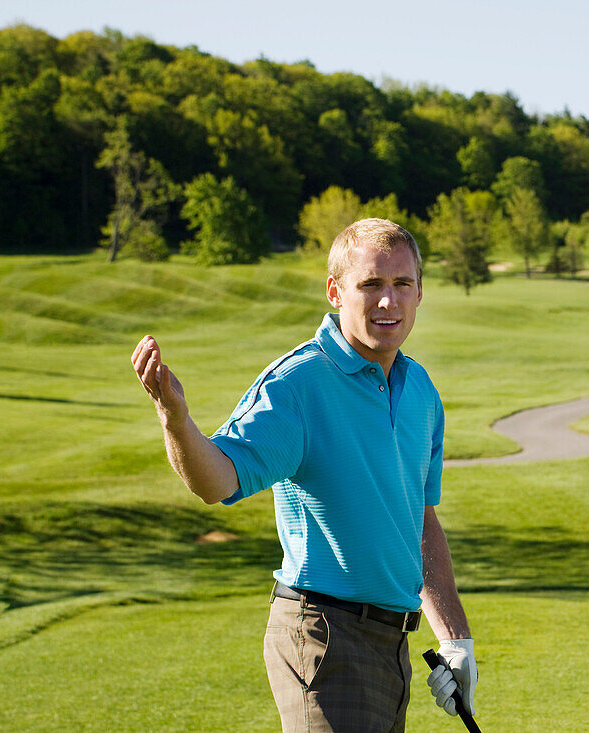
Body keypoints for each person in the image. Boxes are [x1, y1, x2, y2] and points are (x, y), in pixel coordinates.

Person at [132, 218, 477, 732]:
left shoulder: (420, 390)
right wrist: (176, 422)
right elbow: (217, 481)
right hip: (324, 637)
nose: (389, 302)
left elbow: (419, 523)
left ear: (420, 291)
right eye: (371, 285)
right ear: (337, 291)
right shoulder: (298, 384)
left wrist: (454, 638)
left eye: (402, 284)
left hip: (394, 646)